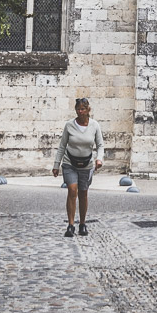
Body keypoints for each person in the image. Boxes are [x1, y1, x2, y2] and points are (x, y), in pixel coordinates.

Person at [52, 96, 104, 237]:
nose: (80, 112)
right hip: (70, 163)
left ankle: (82, 223)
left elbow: (100, 145)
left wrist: (99, 159)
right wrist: (56, 165)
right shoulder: (69, 125)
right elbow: (62, 146)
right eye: (78, 109)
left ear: (88, 110)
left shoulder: (94, 125)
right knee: (72, 190)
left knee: (83, 193)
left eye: (82, 109)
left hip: (87, 165)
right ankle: (70, 225)